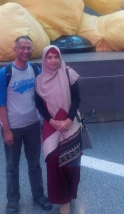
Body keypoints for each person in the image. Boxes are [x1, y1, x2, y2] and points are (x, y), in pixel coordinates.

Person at [0, 35, 52, 214]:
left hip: (33, 125)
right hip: (13, 127)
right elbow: (0, 103)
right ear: (15, 49)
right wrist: (6, 130)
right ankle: (12, 199)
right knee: (12, 166)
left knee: (34, 164)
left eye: (29, 48)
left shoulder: (35, 70)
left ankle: (38, 194)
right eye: (22, 48)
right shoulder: (5, 72)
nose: (26, 51)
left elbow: (48, 88)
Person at [35, 45, 81, 214]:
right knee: (54, 162)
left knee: (72, 163)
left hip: (70, 125)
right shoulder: (39, 81)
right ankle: (63, 199)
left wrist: (68, 120)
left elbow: (77, 99)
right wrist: (51, 121)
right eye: (49, 57)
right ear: (44, 59)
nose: (53, 61)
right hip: (51, 127)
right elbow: (39, 104)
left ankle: (70, 193)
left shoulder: (69, 73)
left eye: (56, 57)